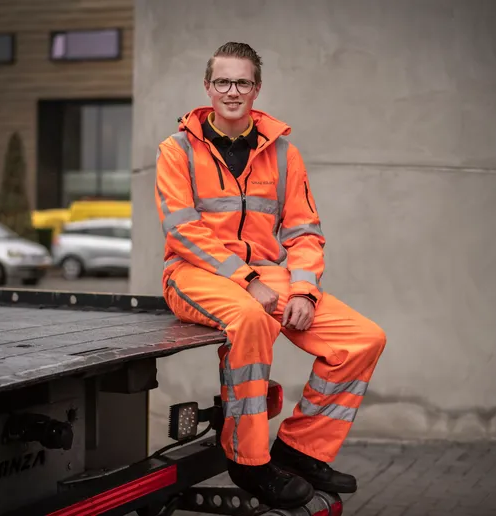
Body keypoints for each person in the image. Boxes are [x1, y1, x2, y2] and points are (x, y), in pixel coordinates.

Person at [154, 41, 387, 509]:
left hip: (266, 275)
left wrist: (303, 289)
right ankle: (248, 459)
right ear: (208, 87)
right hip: (194, 272)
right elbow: (183, 231)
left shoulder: (283, 154)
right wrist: (247, 281)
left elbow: (303, 232)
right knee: (252, 319)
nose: (232, 90)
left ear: (256, 88)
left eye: (242, 81)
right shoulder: (176, 149)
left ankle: (300, 449)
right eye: (223, 81)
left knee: (363, 339)